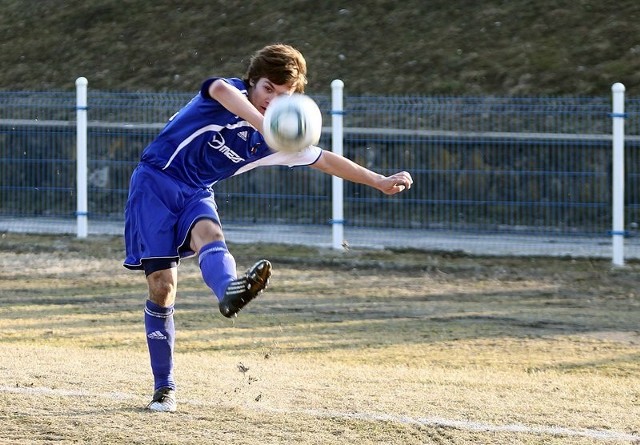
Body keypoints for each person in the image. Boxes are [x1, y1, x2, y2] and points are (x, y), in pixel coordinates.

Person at [123, 43, 413, 413]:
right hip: (155, 182)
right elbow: (220, 90)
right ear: (252, 83)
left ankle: (230, 293)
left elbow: (323, 159)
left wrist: (378, 180)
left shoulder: (277, 139)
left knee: (210, 235)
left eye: (283, 96)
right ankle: (164, 386)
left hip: (196, 192)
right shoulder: (225, 94)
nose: (271, 99)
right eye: (267, 89)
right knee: (162, 286)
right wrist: (269, 126)